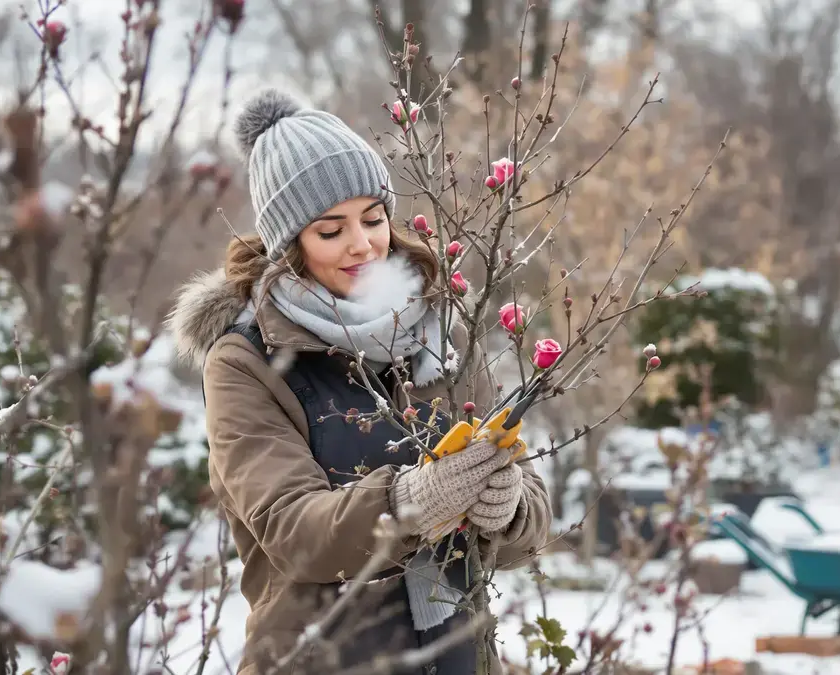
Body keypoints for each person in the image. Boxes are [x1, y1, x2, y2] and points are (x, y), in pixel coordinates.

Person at [167, 87, 552, 675]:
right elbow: (291, 531)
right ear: (290, 243)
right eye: (331, 230)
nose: (362, 244)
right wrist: (411, 503)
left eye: (373, 219)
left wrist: (511, 507)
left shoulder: (438, 327)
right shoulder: (246, 363)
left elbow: (529, 505)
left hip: (456, 657)